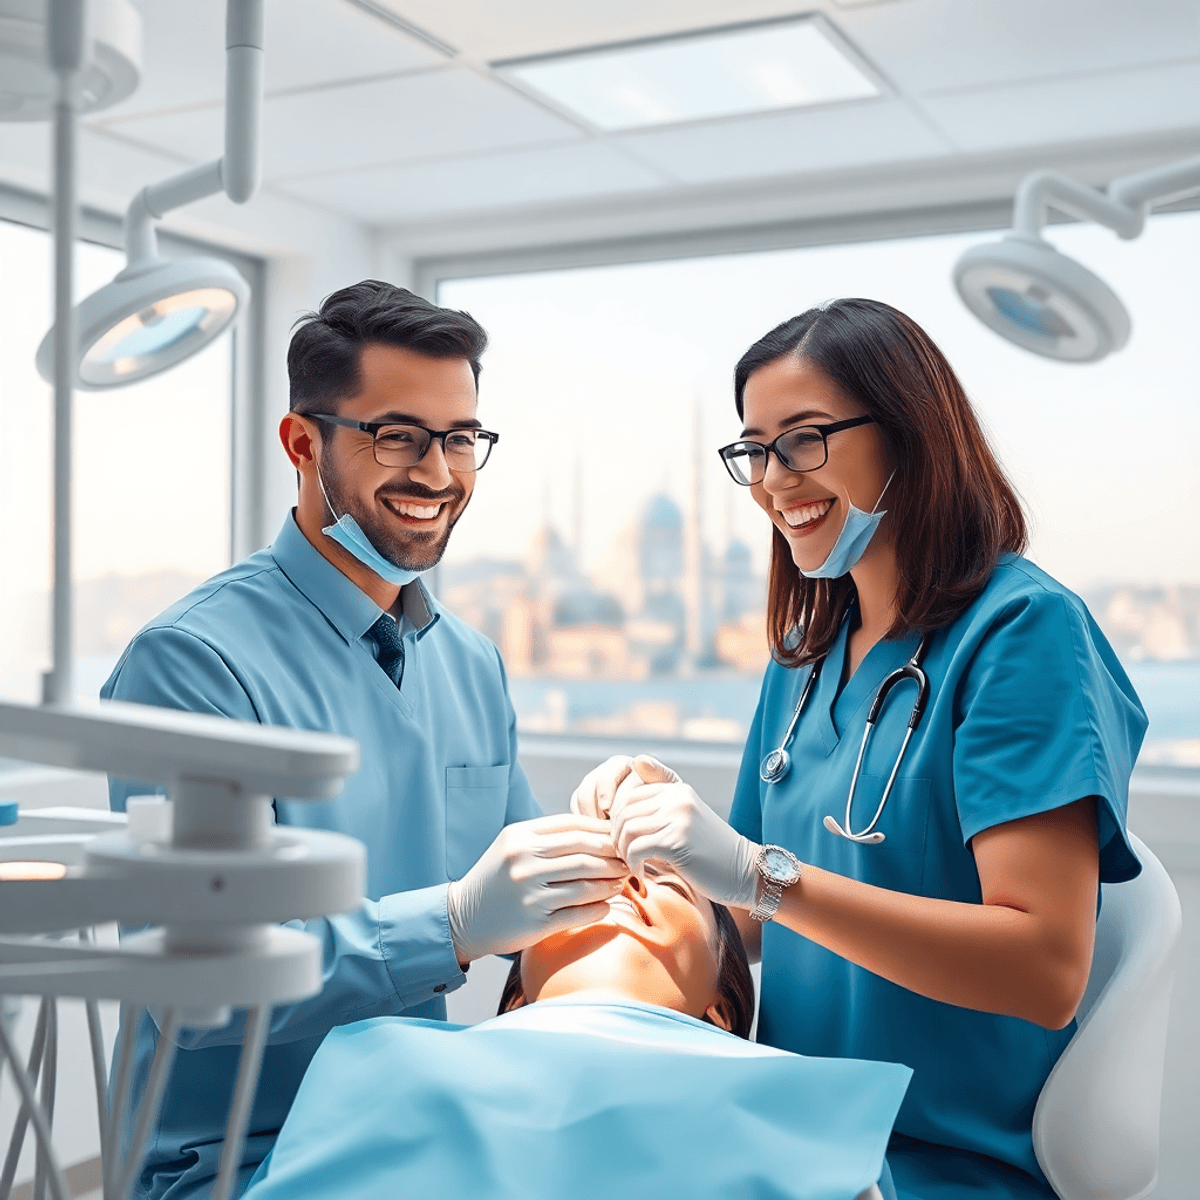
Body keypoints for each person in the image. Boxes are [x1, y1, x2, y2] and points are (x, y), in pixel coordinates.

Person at [573, 298, 1147, 1200]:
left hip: (933, 1162)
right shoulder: (805, 656)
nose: (773, 480)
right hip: (789, 1132)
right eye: (755, 451)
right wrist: (645, 855)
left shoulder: (1024, 633)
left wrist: (761, 875)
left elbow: (1044, 970)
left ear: (910, 434)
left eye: (803, 440)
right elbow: (749, 917)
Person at [101, 281, 625, 1199]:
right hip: (238, 1163)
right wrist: (452, 924)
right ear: (303, 444)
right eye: (397, 435)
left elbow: (532, 914)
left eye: (460, 438)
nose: (438, 473)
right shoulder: (190, 664)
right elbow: (203, 982)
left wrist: (639, 876)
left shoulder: (471, 663)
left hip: (414, 1129)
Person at [240, 857, 912, 1200]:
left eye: (667, 883)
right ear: (514, 998)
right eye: (587, 881)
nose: (621, 882)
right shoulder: (376, 1060)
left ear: (720, 1011)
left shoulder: (808, 1109)